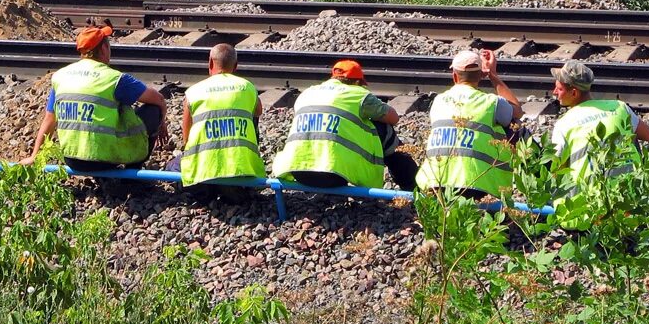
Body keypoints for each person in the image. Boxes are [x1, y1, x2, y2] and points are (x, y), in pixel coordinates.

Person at [25, 23, 168, 170]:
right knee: (152, 110)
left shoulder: (60, 76)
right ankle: (131, 177)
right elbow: (159, 99)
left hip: (72, 159)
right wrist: (161, 122)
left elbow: (49, 119)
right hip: (104, 159)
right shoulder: (115, 79)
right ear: (104, 48)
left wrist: (35, 156)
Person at [271, 59, 418, 191]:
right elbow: (394, 118)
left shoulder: (307, 93)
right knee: (383, 128)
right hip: (334, 175)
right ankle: (411, 185)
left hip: (298, 171)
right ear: (357, 82)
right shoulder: (358, 94)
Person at [416, 49, 524, 198]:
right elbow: (518, 111)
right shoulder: (491, 103)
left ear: (454, 76)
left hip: (434, 182)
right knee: (515, 125)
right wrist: (493, 75)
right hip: (476, 185)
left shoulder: (438, 101)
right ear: (481, 76)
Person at [169, 43, 266, 187]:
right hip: (242, 168)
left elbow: (186, 140)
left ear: (210, 62)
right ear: (236, 66)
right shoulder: (247, 87)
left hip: (203, 170)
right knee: (251, 114)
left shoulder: (193, 92)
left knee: (172, 166)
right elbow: (258, 112)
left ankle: (206, 188)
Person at [548, 59, 649, 188]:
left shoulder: (564, 123)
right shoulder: (619, 107)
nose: (554, 92)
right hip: (630, 193)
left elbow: (556, 168)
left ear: (574, 93)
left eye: (559, 89)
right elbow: (648, 135)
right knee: (631, 134)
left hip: (587, 199)